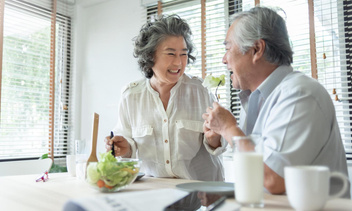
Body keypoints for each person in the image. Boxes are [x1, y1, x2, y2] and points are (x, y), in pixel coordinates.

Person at [202, 6, 350, 197]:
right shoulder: (254, 98)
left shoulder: (300, 95)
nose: (224, 60)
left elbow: (272, 179)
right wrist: (219, 136)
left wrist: (229, 129)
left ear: (256, 49)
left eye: (228, 49)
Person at [105, 14, 227, 181]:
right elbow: (127, 146)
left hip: (201, 195)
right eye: (171, 54)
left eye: (183, 54)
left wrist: (215, 139)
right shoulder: (131, 96)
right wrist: (124, 148)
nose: (178, 63)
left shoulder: (201, 91)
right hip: (156, 194)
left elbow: (220, 145)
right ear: (150, 56)